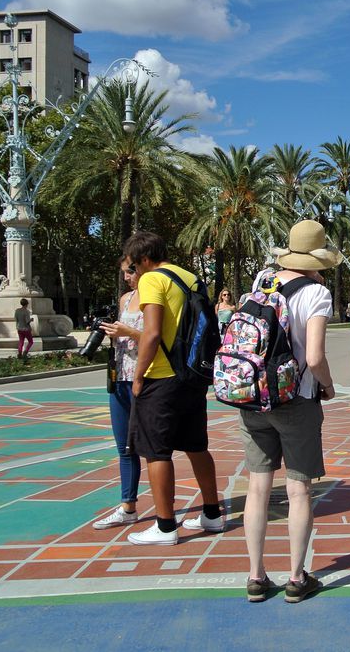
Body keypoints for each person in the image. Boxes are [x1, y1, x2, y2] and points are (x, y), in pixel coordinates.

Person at [240, 220, 340, 603]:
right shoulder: (317, 293)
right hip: (295, 399)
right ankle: (297, 577)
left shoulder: (261, 280)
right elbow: (313, 356)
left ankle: (255, 575)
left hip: (252, 396)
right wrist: (327, 387)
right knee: (298, 491)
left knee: (258, 487)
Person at [123, 231, 223, 546]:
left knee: (156, 451)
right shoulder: (190, 277)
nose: (134, 275)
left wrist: (139, 376)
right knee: (196, 445)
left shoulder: (153, 279)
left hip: (163, 376)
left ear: (144, 260)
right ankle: (212, 513)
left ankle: (165, 526)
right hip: (192, 375)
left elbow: (151, 333)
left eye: (134, 267)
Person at [92, 257, 144, 530]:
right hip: (120, 376)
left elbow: (157, 338)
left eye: (128, 272)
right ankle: (128, 506)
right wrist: (113, 334)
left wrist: (130, 332)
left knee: (157, 449)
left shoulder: (154, 296)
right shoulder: (125, 299)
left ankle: (166, 514)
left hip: (145, 378)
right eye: (123, 272)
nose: (126, 277)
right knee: (124, 445)